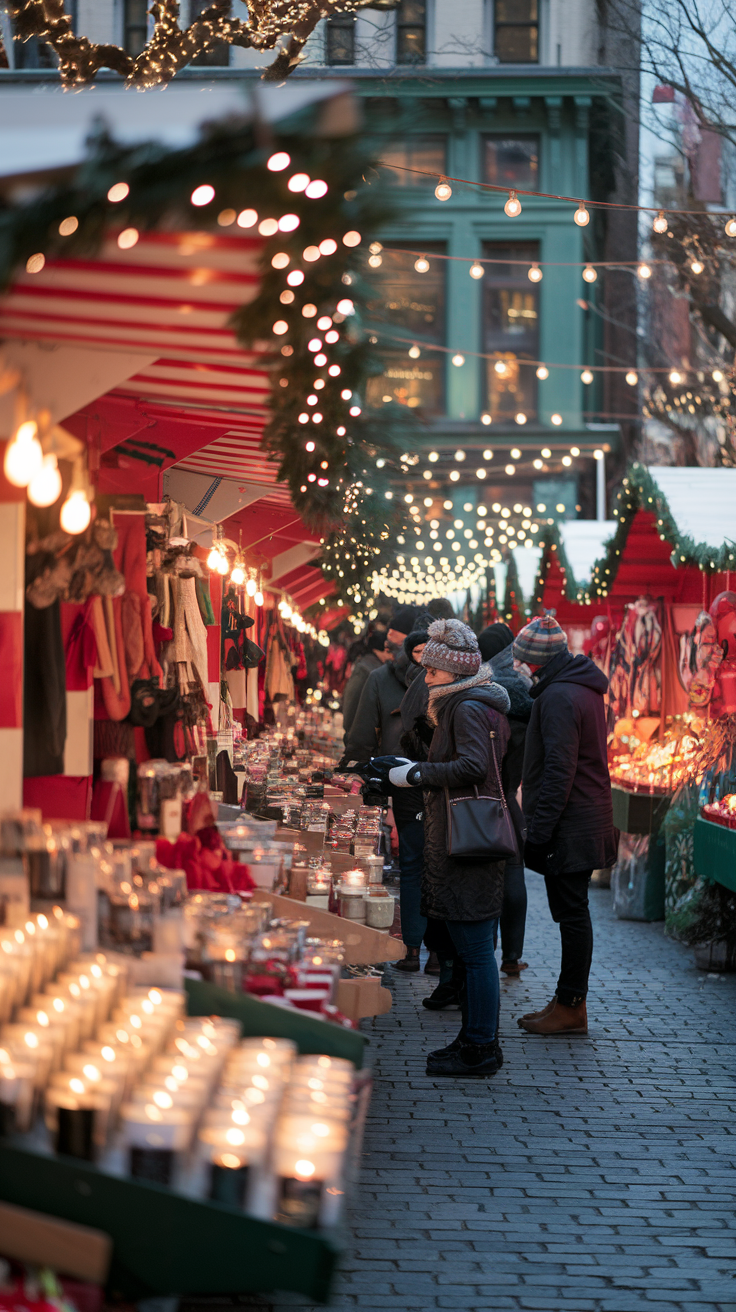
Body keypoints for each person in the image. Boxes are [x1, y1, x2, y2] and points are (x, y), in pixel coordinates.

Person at [389, 618, 512, 1078]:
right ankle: (474, 1037)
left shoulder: (466, 707)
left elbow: (473, 765)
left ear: (455, 673)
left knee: (476, 951)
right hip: (468, 836)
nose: (426, 676)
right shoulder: (469, 702)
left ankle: (480, 1047)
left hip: (469, 841)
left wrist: (417, 774)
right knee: (470, 949)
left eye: (434, 671)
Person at [512, 614, 619, 1036]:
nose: (519, 668)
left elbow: (560, 769)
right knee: (572, 912)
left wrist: (539, 831)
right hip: (584, 817)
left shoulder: (557, 697)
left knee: (572, 914)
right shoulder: (580, 688)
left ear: (533, 663)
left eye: (522, 661)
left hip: (572, 823)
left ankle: (572, 1005)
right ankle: (566, 998)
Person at [343, 607, 427, 969]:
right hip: (437, 785)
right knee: (435, 866)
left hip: (402, 784)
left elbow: (360, 738)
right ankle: (438, 956)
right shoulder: (451, 681)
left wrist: (357, 773)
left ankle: (410, 949)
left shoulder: (380, 677)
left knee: (412, 866)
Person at [479, 622, 534, 977]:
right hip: (510, 803)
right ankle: (512, 956)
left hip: (478, 802)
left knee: (482, 879)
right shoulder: (527, 697)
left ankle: (486, 945)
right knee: (514, 877)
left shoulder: (480, 694)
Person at [341, 631, 391, 741]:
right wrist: (350, 734)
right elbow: (351, 702)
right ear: (381, 650)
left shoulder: (372, 667)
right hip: (360, 737)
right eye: (389, 650)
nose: (391, 655)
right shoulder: (366, 670)